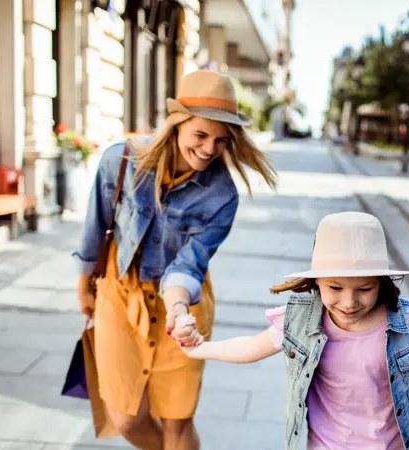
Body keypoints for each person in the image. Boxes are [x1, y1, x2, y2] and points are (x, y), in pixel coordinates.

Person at [73, 70, 277, 450]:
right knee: (126, 418)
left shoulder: (222, 195)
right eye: (200, 135)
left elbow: (189, 264)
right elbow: (94, 226)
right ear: (177, 125)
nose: (209, 149)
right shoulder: (120, 161)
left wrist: (180, 312)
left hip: (183, 306)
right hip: (119, 295)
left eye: (221, 140)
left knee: (177, 422)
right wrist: (84, 284)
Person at [172, 212, 409, 450]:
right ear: (316, 282)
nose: (349, 302)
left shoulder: (405, 323)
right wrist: (198, 348)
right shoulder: (302, 321)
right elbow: (252, 347)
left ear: (382, 283)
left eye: (365, 288)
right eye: (335, 287)